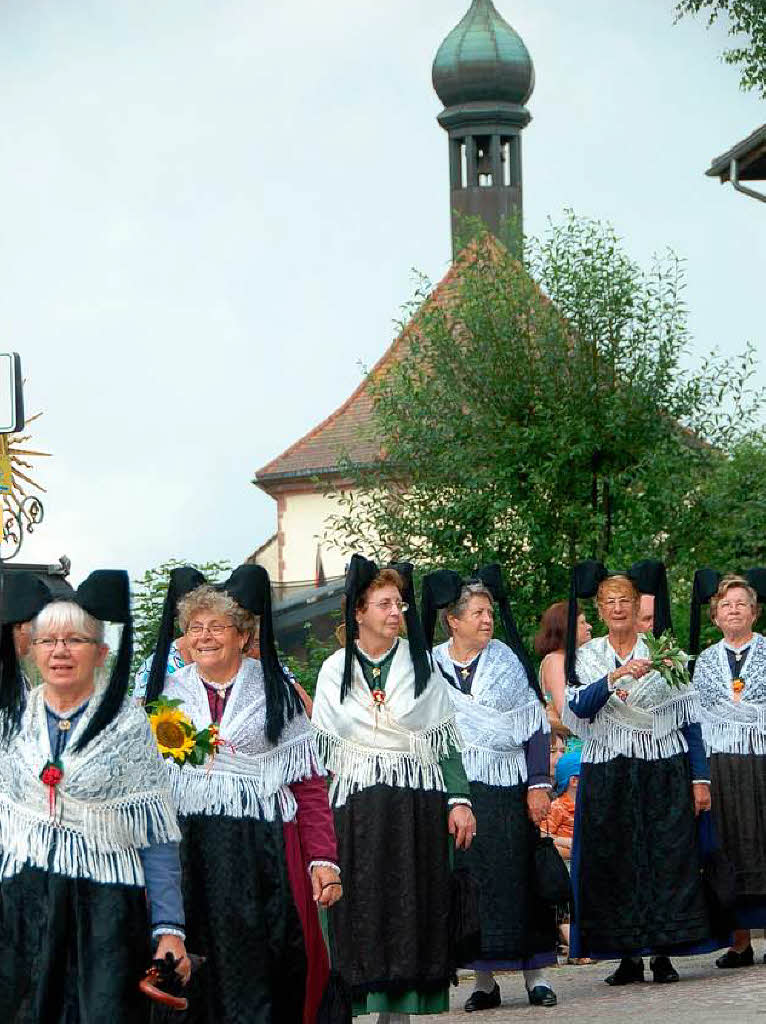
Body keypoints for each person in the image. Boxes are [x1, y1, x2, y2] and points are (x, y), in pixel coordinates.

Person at [145, 564, 341, 1024]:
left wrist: (323, 861)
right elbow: (152, 786)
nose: (204, 637)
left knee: (266, 969)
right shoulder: (165, 696)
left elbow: (309, 784)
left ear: (242, 634)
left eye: (216, 627)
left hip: (263, 854)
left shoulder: (276, 692)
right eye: (195, 628)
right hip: (191, 855)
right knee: (196, 969)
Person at [0, 570, 187, 1023]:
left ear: (101, 652)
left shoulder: (127, 727)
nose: (60, 651)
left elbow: (156, 834)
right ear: (33, 650)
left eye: (75, 640)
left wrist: (169, 929)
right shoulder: (11, 722)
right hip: (23, 905)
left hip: (103, 907)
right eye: (48, 640)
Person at [312, 555, 476, 1022]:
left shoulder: (421, 666)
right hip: (356, 805)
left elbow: (444, 740)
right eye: (383, 604)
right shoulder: (332, 671)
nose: (394, 612)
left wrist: (459, 800)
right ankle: (355, 1002)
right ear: (358, 612)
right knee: (359, 904)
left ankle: (397, 1012)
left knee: (412, 901)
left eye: (399, 604)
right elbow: (323, 751)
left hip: (413, 803)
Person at [563, 559, 721, 986]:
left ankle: (665, 954)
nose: (617, 609)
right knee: (616, 860)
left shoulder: (662, 652)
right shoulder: (587, 656)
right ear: (599, 610)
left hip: (661, 767)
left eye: (625, 601)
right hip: (609, 768)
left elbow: (690, 718)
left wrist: (699, 777)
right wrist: (615, 676)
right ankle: (627, 955)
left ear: (637, 607)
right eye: (609, 602)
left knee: (666, 858)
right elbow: (577, 708)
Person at [424, 565, 559, 1011]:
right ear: (453, 620)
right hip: (457, 790)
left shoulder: (508, 660)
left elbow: (534, 725)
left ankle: (536, 976)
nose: (487, 620)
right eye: (478, 613)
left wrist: (538, 783)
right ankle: (483, 981)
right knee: (472, 883)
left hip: (507, 786)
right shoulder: (430, 666)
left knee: (519, 877)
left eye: (489, 613)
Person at [690, 570, 766, 968]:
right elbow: (697, 718)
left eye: (740, 604)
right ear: (715, 617)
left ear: (754, 612)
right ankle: (740, 943)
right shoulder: (705, 661)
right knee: (729, 848)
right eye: (725, 605)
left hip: (763, 761)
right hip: (721, 765)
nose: (733, 610)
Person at [535, 601, 591, 745]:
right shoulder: (557, 661)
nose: (589, 627)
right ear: (567, 628)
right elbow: (566, 712)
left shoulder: (568, 659)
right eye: (583, 623)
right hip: (573, 750)